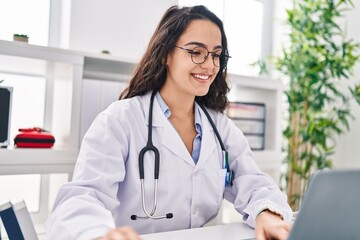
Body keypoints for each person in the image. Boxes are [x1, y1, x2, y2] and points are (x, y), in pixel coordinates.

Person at [47, 5, 292, 240]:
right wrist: (98, 235)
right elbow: (83, 197)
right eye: (196, 52)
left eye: (216, 55)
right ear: (165, 53)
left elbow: (253, 182)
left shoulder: (220, 128)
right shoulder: (120, 120)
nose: (209, 65)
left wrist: (267, 213)